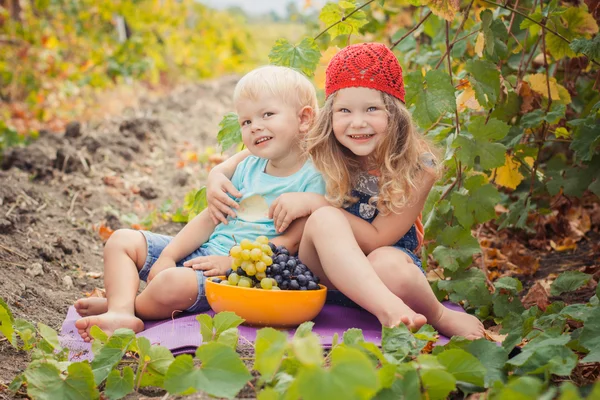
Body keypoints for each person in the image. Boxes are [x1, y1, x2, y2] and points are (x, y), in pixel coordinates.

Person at [206, 43, 485, 339]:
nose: (358, 122)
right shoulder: (324, 143)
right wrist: (217, 172)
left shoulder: (418, 167)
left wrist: (316, 202)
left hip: (382, 270)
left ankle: (437, 314)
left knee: (387, 263)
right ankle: (390, 312)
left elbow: (378, 239)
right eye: (344, 110)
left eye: (372, 108)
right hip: (324, 271)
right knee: (324, 221)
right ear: (330, 115)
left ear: (395, 112)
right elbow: (252, 155)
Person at [73, 65, 326, 341]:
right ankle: (120, 310)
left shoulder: (311, 177)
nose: (255, 127)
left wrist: (232, 263)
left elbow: (290, 243)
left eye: (267, 114)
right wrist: (169, 255)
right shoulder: (249, 167)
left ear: (304, 119)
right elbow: (210, 218)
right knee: (121, 240)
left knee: (170, 284)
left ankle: (132, 306)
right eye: (246, 122)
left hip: (235, 278)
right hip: (205, 253)